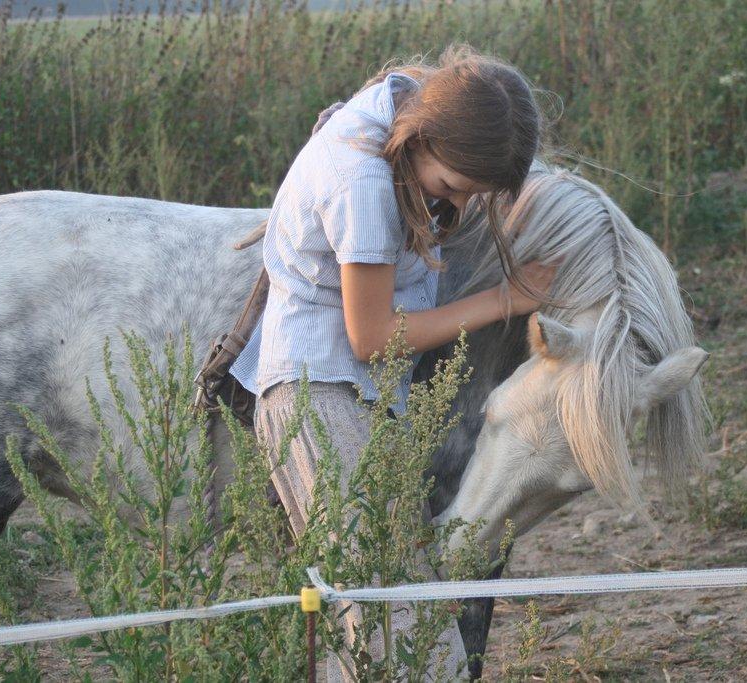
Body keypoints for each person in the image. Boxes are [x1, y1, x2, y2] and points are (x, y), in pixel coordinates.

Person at [229, 45, 553, 680]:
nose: (455, 207)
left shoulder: (406, 107)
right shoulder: (362, 183)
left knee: (374, 611)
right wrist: (506, 298)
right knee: (398, 618)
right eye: (451, 189)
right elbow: (373, 338)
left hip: (351, 391)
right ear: (423, 138)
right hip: (320, 392)